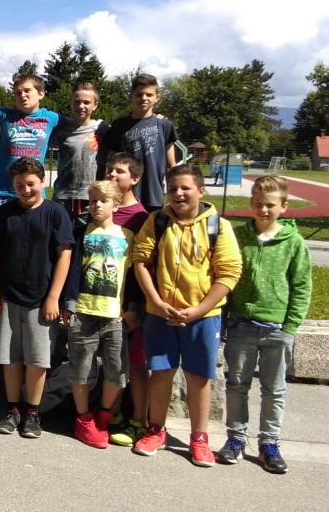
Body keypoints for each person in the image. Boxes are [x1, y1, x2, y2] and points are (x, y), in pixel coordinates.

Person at [130, 164, 241, 466]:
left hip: (203, 316)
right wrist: (156, 301)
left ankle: (199, 439)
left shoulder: (219, 226)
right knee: (161, 372)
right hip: (160, 314)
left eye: (185, 188)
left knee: (198, 376)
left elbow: (229, 273)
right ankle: (156, 430)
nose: (178, 193)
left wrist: (199, 310)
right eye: (172, 188)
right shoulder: (157, 221)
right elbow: (141, 261)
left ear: (200, 191)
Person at [217, 176, 311, 474]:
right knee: (237, 384)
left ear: (283, 207)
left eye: (270, 205)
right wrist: (225, 319)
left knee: (274, 389)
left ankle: (269, 443)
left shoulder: (293, 242)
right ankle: (236, 438)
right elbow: (225, 276)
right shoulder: (237, 236)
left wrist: (290, 326)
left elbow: (301, 286)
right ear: (251, 204)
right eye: (258, 204)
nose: (263, 210)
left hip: (277, 328)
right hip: (241, 324)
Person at [0, 157, 74, 438]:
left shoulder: (56, 213)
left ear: (43, 182)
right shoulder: (5, 213)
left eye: (31, 184)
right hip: (8, 297)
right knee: (10, 357)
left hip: (41, 299)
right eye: (20, 185)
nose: (26, 189)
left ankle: (33, 413)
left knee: (37, 359)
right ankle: (12, 410)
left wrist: (54, 297)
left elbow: (65, 254)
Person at [63, 180, 135, 448]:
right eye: (92, 201)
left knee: (117, 370)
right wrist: (69, 304)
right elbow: (71, 270)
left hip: (115, 314)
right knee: (81, 370)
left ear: (116, 205)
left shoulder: (127, 236)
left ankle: (104, 417)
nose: (96, 206)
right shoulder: (80, 233)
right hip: (84, 312)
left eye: (102, 201)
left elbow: (133, 275)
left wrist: (132, 309)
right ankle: (83, 420)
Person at [104, 152, 152, 446]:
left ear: (134, 179)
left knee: (135, 362)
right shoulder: (102, 209)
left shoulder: (140, 218)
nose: (112, 174)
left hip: (129, 305)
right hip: (104, 302)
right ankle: (113, 413)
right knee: (112, 361)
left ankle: (139, 420)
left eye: (119, 171)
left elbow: (140, 267)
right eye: (110, 169)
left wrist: (135, 306)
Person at [0, 75, 65, 205]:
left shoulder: (51, 118)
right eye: (18, 92)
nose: (22, 95)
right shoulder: (6, 114)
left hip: (34, 191)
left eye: (27, 90)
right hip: (3, 191)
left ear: (41, 94)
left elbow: (77, 124)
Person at [103, 74, 177, 212]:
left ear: (157, 97)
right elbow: (110, 162)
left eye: (149, 94)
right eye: (139, 94)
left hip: (154, 196)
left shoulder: (164, 125)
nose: (143, 98)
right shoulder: (118, 126)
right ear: (131, 96)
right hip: (124, 197)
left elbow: (172, 166)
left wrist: (172, 194)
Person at [52, 82, 109, 226]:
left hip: (92, 197)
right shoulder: (60, 130)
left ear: (95, 105)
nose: (81, 106)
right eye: (77, 102)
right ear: (70, 103)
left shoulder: (103, 129)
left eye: (86, 102)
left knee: (87, 237)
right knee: (60, 237)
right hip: (63, 196)